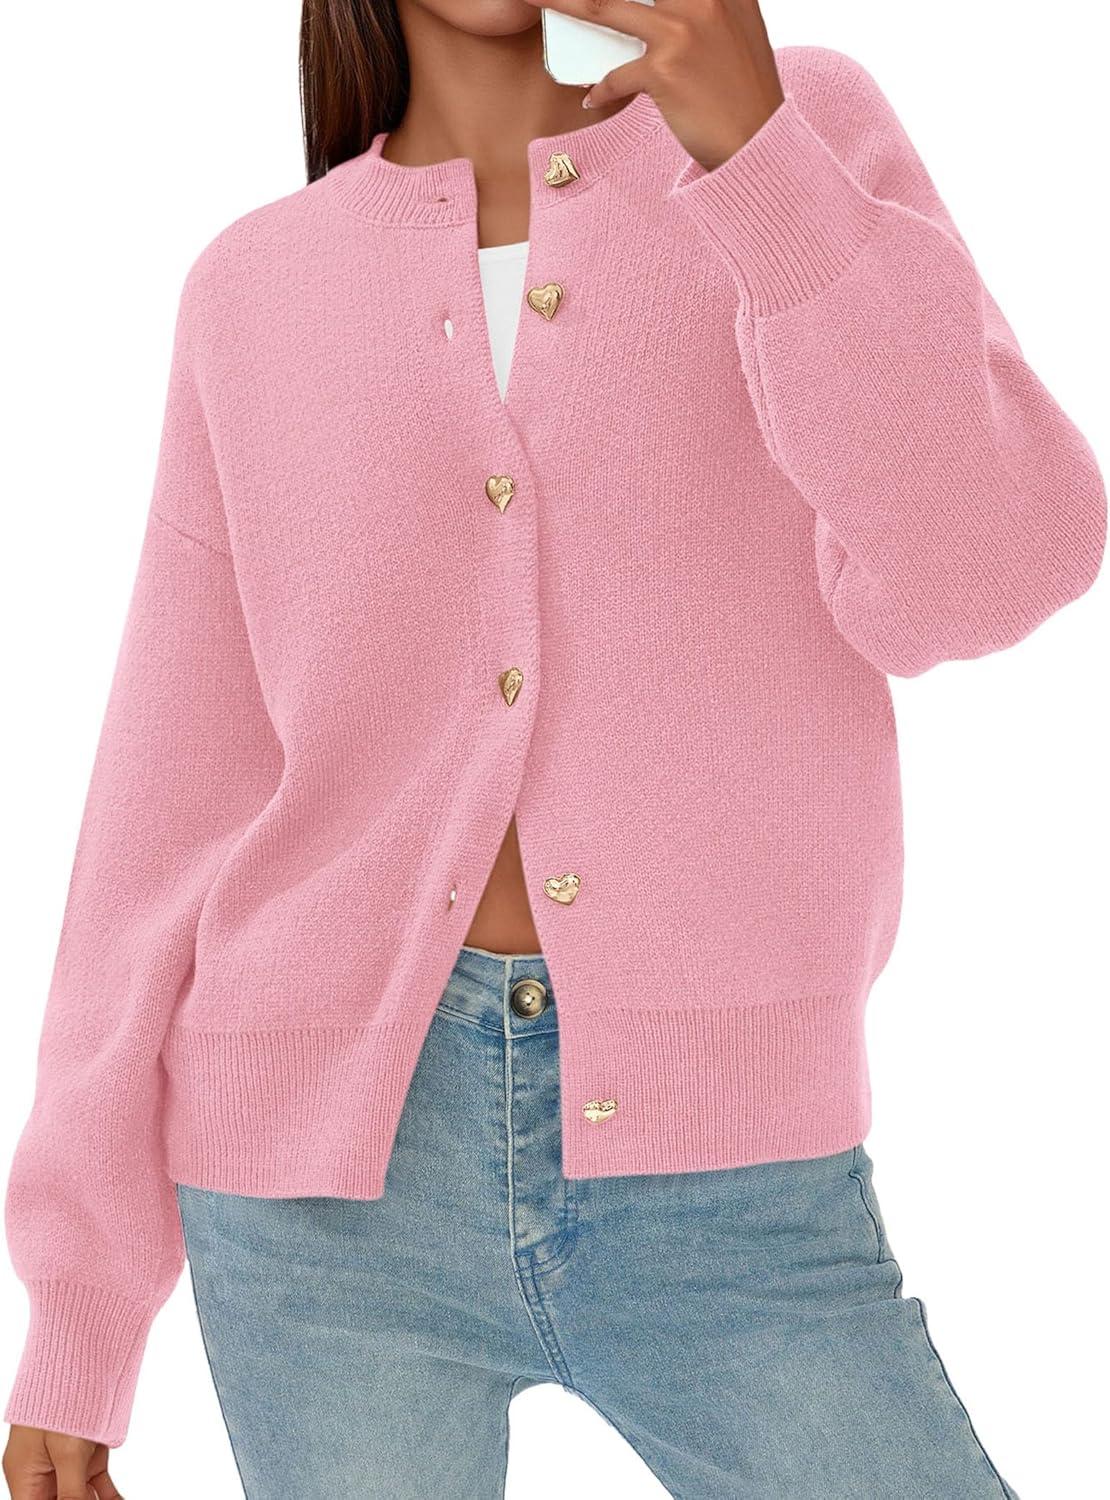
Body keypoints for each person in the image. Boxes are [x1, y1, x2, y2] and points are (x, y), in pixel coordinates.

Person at [3, 1, 1104, 1495]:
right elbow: (165, 800)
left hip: (730, 1176)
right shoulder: (254, 287)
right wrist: (80, 1313)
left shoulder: (800, 137)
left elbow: (988, 571)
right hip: (321, 1207)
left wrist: (756, 158)